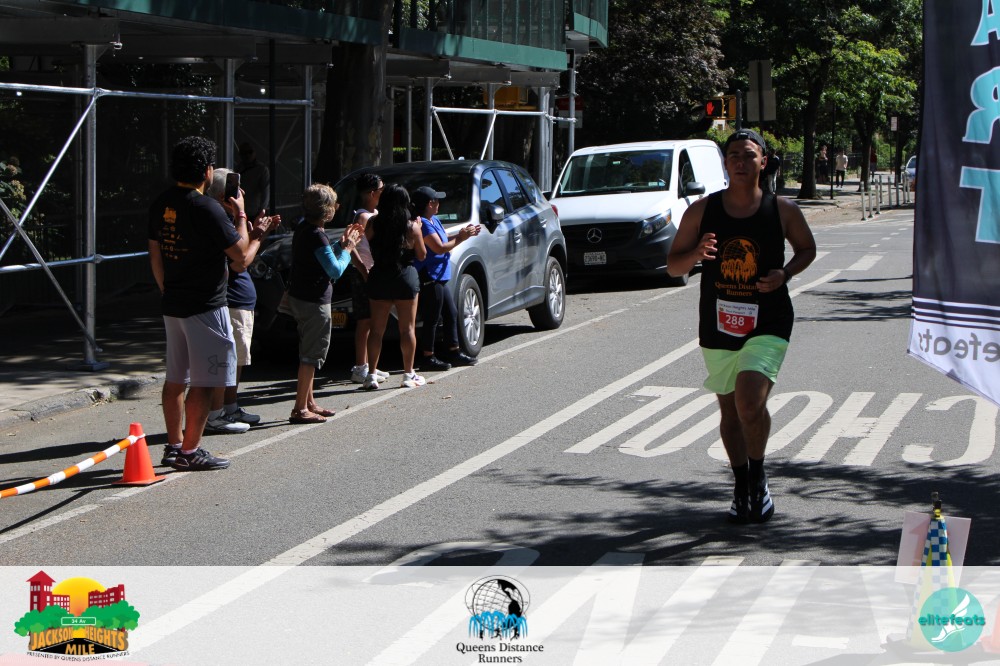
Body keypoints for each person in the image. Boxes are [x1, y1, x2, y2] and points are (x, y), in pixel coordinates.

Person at [667, 128, 816, 524]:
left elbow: (807, 249)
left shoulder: (782, 210)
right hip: (719, 324)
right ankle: (741, 483)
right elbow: (673, 266)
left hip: (769, 320)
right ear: (725, 163)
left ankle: (758, 476)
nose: (740, 161)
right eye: (733, 154)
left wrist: (785, 274)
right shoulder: (702, 211)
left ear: (763, 162)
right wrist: (696, 254)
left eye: (749, 154)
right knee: (731, 412)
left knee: (749, 402)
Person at [148, 136, 263, 471]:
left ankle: (174, 446)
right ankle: (190, 450)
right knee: (206, 380)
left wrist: (167, 290)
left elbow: (155, 254)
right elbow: (240, 255)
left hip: (173, 303)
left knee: (175, 378)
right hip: (207, 305)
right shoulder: (207, 208)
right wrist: (241, 214)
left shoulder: (161, 202)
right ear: (208, 171)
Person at [203, 168, 278, 433]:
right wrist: (252, 230)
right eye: (236, 189)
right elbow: (241, 260)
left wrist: (257, 231)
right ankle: (215, 415)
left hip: (240, 301)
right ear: (224, 196)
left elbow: (244, 249)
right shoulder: (222, 218)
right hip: (231, 300)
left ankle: (230, 406)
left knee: (237, 361)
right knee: (226, 362)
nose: (242, 193)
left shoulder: (229, 218)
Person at [286, 184, 364, 423]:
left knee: (307, 351)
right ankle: (301, 408)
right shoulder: (316, 234)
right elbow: (335, 269)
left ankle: (309, 402)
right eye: (334, 204)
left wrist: (340, 245)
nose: (337, 207)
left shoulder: (305, 228)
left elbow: (323, 257)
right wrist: (348, 248)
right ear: (327, 209)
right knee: (312, 355)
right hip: (314, 302)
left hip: (301, 297)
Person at [362, 183, 427, 390]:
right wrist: (418, 231)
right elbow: (421, 255)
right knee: (407, 329)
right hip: (404, 277)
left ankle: (371, 375)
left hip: (379, 276)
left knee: (376, 330)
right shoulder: (411, 227)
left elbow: (367, 243)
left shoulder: (373, 223)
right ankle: (408, 374)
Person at [410, 185, 480, 371]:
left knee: (451, 312)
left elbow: (444, 238)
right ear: (429, 203)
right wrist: (462, 238)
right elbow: (439, 247)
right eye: (436, 200)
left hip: (440, 275)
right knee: (432, 317)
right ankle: (427, 357)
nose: (438, 204)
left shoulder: (433, 220)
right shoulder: (423, 225)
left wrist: (464, 233)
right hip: (429, 276)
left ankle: (453, 351)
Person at [347, 173, 389, 386]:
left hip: (374, 271)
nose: (383, 192)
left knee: (374, 320)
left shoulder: (376, 213)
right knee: (364, 321)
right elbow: (351, 246)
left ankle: (369, 364)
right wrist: (363, 270)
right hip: (363, 272)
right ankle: (360, 366)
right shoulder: (362, 216)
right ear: (372, 193)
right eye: (381, 189)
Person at [238, 142, 270, 221]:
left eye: (250, 152)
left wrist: (261, 212)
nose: (247, 155)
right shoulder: (238, 168)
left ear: (254, 153)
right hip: (240, 210)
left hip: (253, 212)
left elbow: (265, 192)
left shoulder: (262, 169)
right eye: (244, 153)